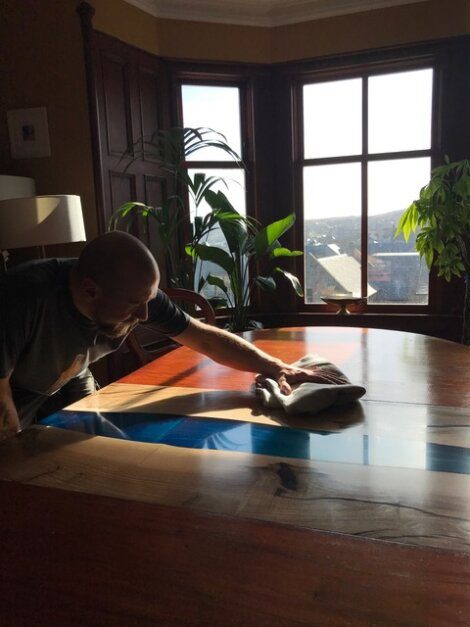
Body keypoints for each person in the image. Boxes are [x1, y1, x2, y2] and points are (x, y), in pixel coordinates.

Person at [0, 231, 340, 440]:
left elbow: (204, 338)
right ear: (90, 290)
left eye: (149, 301)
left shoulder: (135, 293)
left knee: (108, 453)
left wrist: (277, 367)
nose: (145, 316)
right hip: (15, 394)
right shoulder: (23, 297)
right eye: (135, 306)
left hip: (70, 376)